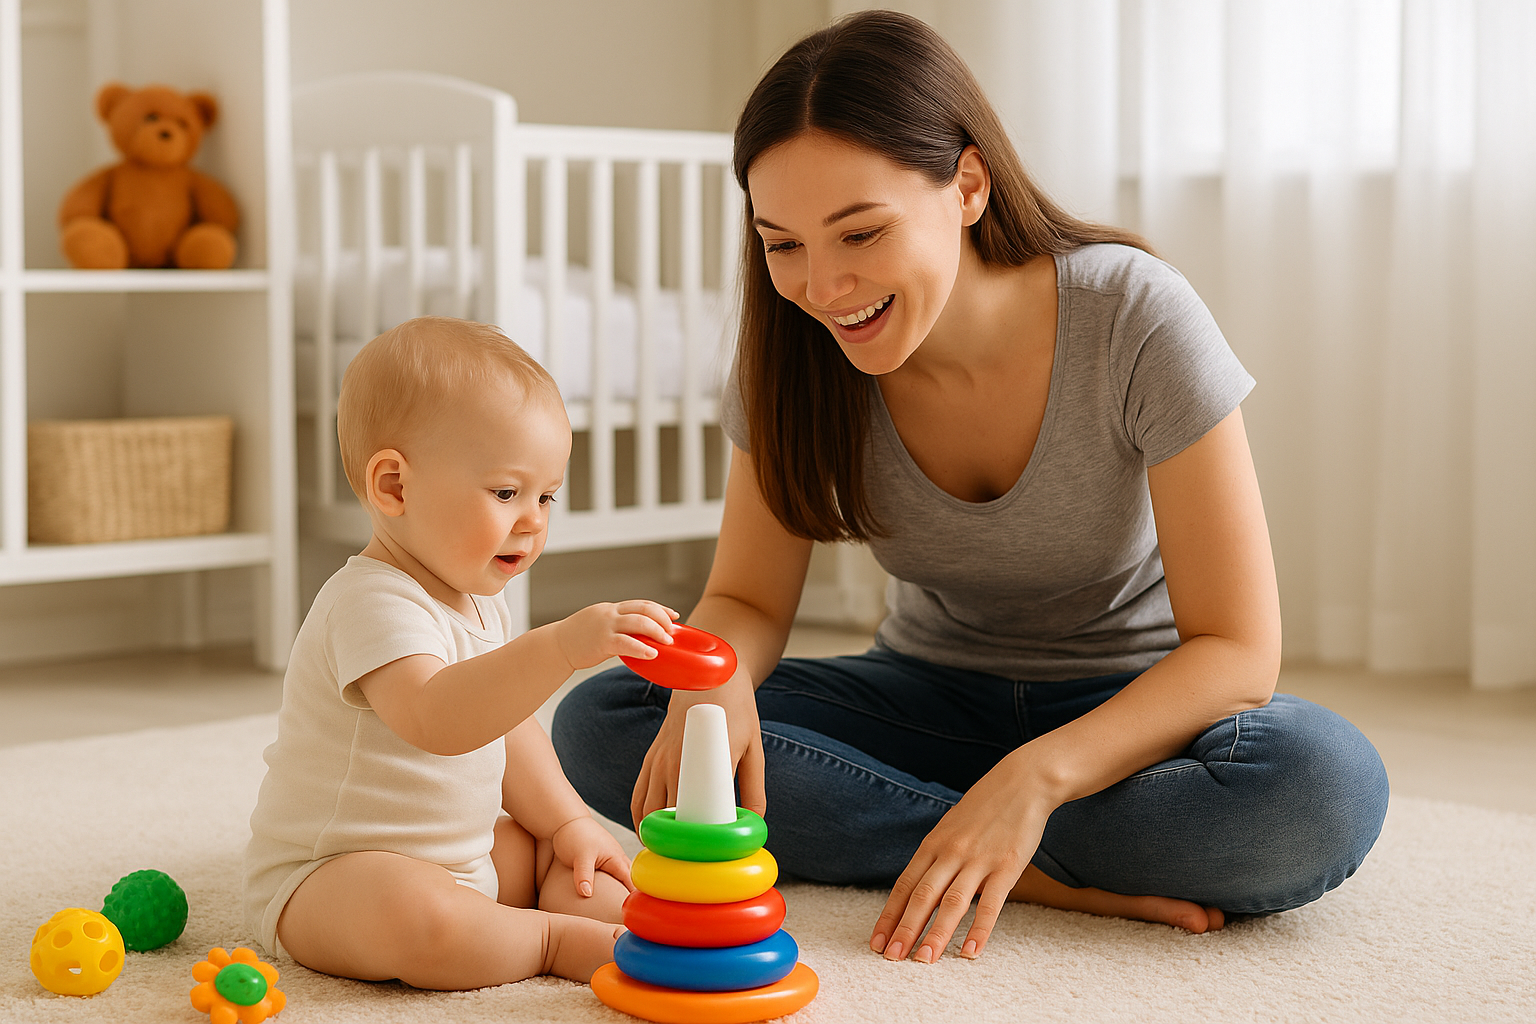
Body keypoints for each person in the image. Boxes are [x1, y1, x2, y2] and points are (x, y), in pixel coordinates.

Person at [553, 9, 1389, 967]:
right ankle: (1021, 863)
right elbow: (745, 600)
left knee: (1322, 786)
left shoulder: (1132, 317)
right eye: (783, 244)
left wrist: (1038, 778)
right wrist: (717, 685)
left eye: (860, 232)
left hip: (1125, 712)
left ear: (968, 186)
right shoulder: (790, 358)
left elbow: (1238, 651)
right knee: (612, 718)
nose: (823, 287)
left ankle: (979, 831)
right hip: (923, 700)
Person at [243, 316, 678, 988]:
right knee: (420, 921)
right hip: (332, 877)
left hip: (462, 857)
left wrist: (566, 823)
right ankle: (549, 941)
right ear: (395, 487)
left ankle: (599, 916)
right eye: (506, 493)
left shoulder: (477, 600)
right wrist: (559, 646)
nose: (533, 520)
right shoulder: (369, 600)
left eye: (546, 496)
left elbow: (506, 726)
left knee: (563, 855)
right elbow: (436, 718)